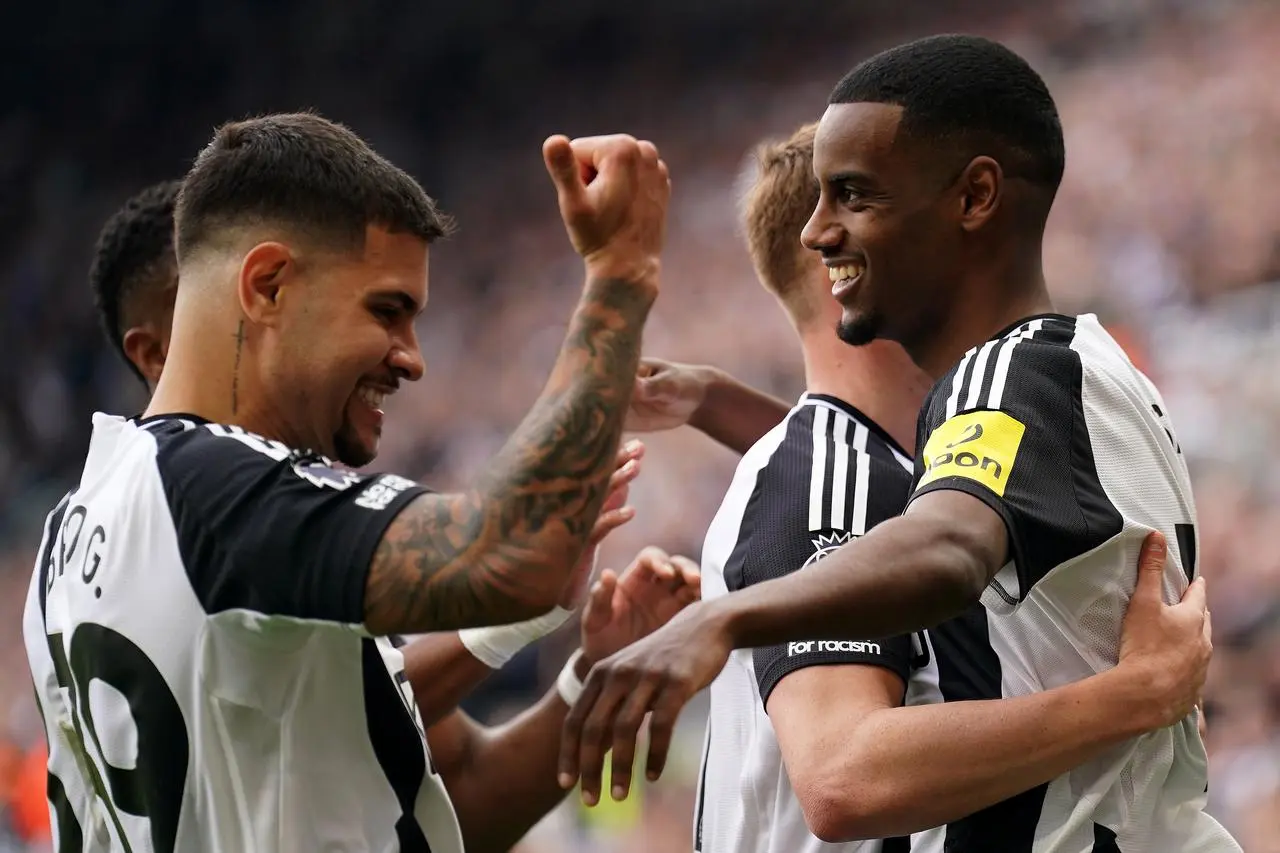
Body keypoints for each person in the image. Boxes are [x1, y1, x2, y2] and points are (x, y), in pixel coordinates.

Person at [560, 36, 1238, 851]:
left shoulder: (1006, 378)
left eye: (852, 196)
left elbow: (938, 547)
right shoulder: (1083, 368)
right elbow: (877, 482)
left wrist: (721, 619)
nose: (818, 233)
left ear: (975, 196)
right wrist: (715, 400)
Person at [24, 111, 671, 852]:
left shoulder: (71, 534)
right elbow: (514, 553)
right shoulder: (218, 491)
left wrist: (586, 675)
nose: (412, 358)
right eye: (387, 311)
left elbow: (450, 800)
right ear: (268, 286)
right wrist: (620, 272)